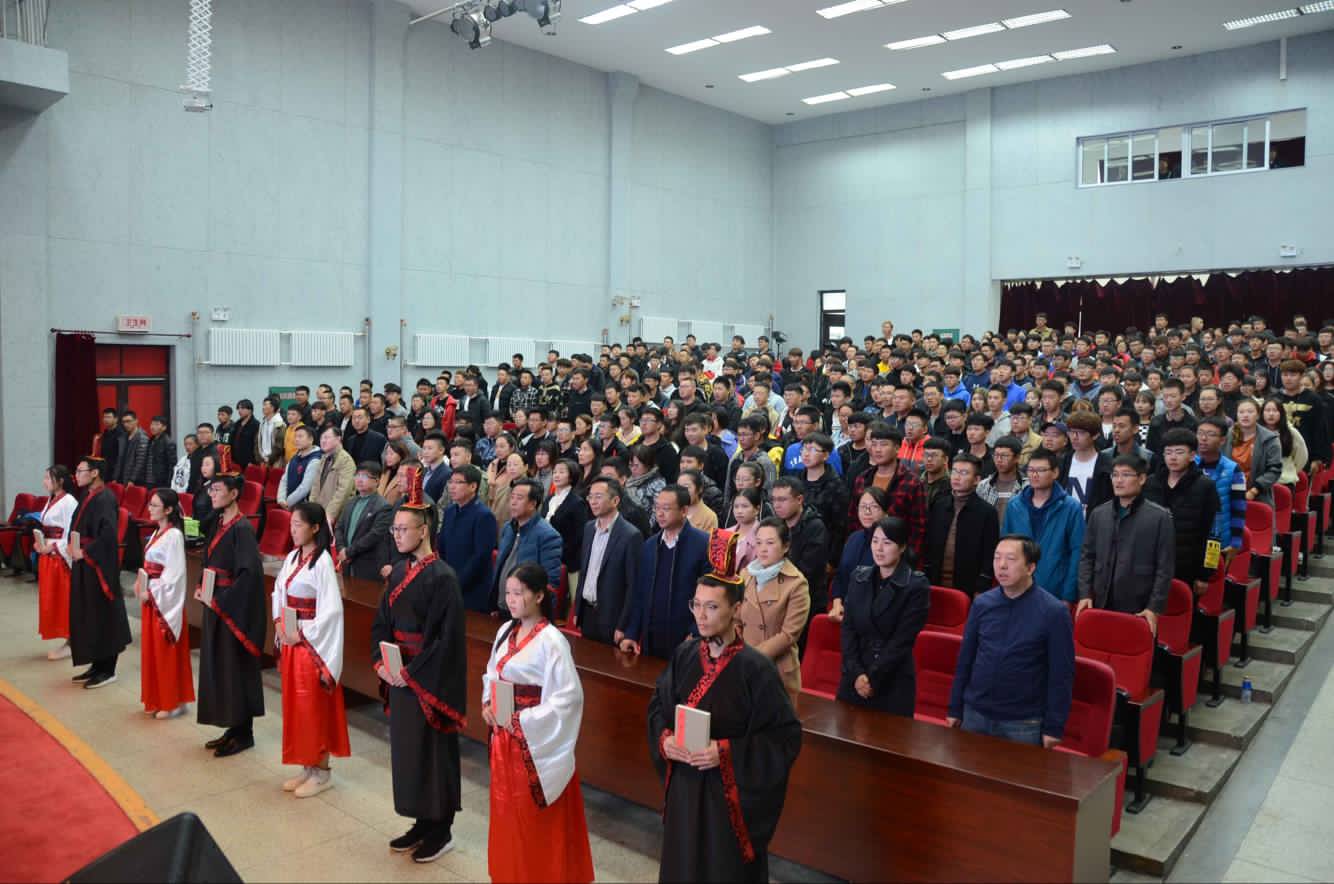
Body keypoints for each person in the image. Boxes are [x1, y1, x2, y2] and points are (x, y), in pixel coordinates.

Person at [647, 574, 802, 884]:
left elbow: (785, 737)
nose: (701, 616)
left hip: (727, 800)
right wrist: (665, 740)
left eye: (712, 607)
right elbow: (658, 707)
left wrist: (725, 752)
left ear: (736, 609)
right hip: (685, 790)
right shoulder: (685, 655)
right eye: (696, 605)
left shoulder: (756, 669)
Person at [371, 481, 467, 864]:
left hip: (427, 679)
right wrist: (383, 663)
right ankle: (421, 821)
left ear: (423, 531)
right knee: (409, 754)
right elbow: (382, 623)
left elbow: (446, 640)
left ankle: (441, 828)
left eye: (403, 529)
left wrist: (412, 673)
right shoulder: (398, 572)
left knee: (433, 754)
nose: (396, 536)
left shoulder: (443, 577)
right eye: (394, 529)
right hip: (400, 675)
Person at [482, 563, 595, 883]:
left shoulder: (552, 640)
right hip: (504, 738)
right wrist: (488, 704)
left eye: (519, 593)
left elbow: (568, 698)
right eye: (508, 593)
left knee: (534, 820)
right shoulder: (505, 631)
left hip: (533, 744)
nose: (511, 600)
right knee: (506, 814)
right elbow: (492, 673)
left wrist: (523, 720)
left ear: (539, 596)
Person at [947, 536, 1075, 747]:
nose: (1002, 565)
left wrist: (1054, 727)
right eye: (997, 558)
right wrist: (954, 708)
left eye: (1011, 559)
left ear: (1030, 567)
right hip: (975, 712)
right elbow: (965, 659)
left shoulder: (1054, 612)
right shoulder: (982, 603)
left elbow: (1061, 674)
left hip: (1023, 721)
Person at [272, 502, 351, 798]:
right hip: (291, 639)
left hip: (311, 646)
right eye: (291, 524)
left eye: (298, 525)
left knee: (314, 706)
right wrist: (279, 622)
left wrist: (301, 633)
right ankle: (307, 765)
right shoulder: (293, 557)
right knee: (296, 706)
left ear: (315, 528)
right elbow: (278, 591)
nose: (292, 530)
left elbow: (331, 611)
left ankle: (322, 771)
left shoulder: (323, 562)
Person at [196, 452, 267, 756]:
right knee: (220, 668)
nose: (212, 494)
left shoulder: (242, 529)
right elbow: (209, 561)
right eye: (211, 489)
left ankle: (244, 732)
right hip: (216, 604)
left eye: (217, 490)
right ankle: (231, 727)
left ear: (234, 494)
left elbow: (248, 576)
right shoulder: (218, 522)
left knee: (235, 667)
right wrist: (202, 588)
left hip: (231, 609)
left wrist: (221, 600)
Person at [836, 516, 930, 716]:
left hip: (891, 679)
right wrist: (857, 673)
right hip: (854, 676)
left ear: (902, 547)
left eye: (887, 543)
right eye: (875, 541)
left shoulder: (916, 586)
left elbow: (902, 641)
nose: (879, 549)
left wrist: (872, 678)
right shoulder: (858, 577)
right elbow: (848, 629)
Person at [1076, 455, 1175, 634]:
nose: (1118, 480)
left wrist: (1153, 607)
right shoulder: (1099, 513)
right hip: (1101, 599)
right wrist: (1085, 593)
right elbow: (1087, 557)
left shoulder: (1160, 517)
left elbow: (1164, 568)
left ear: (1142, 478)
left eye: (1126, 475)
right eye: (1115, 475)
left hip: (1138, 603)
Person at [620, 486, 711, 658]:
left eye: (666, 508)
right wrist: (632, 633)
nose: (660, 514)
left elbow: (710, 595)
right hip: (651, 636)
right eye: (657, 508)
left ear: (684, 511)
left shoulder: (703, 544)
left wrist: (696, 632)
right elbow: (640, 594)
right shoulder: (649, 545)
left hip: (686, 637)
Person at [67, 456, 132, 690]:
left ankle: (108, 669)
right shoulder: (88, 495)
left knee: (103, 614)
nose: (76, 474)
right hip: (84, 561)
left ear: (95, 473)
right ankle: (96, 664)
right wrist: (72, 546)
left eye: (80, 470)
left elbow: (107, 536)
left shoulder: (105, 498)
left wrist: (85, 552)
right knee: (90, 615)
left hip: (98, 565)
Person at [135, 489, 194, 720]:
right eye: (150, 504)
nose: (149, 508)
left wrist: (151, 591)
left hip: (163, 602)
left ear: (168, 510)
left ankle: (173, 700)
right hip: (152, 597)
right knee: (153, 651)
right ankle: (158, 697)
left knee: (166, 651)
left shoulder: (174, 536)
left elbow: (174, 575)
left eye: (154, 505)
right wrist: (141, 584)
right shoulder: (157, 533)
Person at [1001, 449, 1086, 603]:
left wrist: (1068, 595)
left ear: (1055, 473)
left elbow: (1077, 552)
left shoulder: (1071, 507)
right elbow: (1005, 546)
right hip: (1017, 587)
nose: (1034, 475)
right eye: (1031, 470)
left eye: (1040, 470)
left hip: (1054, 590)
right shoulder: (1015, 505)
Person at [739, 517, 811, 698]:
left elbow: (789, 635)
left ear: (785, 546)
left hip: (776, 668)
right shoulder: (746, 575)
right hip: (742, 663)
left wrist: (753, 657)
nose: (763, 549)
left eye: (770, 543)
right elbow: (735, 619)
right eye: (759, 542)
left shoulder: (796, 583)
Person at [1145, 429, 1221, 597]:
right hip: (1151, 564)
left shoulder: (1205, 486)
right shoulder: (1151, 483)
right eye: (1168, 452)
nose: (1173, 457)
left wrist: (1205, 574)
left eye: (1179, 452)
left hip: (1188, 566)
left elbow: (1214, 533)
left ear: (1192, 455)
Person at [923, 453, 1000, 597]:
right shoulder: (939, 504)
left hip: (968, 584)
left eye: (964, 473)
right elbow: (929, 542)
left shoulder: (987, 512)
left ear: (976, 479)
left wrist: (982, 585)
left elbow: (989, 553)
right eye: (954, 472)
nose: (957, 477)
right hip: (934, 579)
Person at [490, 479, 563, 612]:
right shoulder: (508, 527)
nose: (513, 502)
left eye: (519, 498)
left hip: (527, 611)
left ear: (533, 504)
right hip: (501, 606)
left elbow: (550, 584)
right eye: (512, 497)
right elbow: (500, 566)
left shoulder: (548, 535)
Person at [436, 465, 498, 612]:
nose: (452, 487)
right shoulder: (450, 511)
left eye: (458, 482)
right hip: (449, 582)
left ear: (473, 486)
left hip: (473, 588)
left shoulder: (484, 516)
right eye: (450, 482)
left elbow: (481, 557)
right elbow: (442, 546)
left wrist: (457, 582)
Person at [830, 486, 890, 621]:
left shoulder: (890, 543)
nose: (867, 512)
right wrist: (837, 604)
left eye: (874, 507)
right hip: (844, 609)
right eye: (863, 507)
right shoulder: (853, 538)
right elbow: (840, 576)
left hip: (874, 615)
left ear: (886, 512)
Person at [1196, 417, 1247, 560]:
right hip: (1191, 537)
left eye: (1211, 434)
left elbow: (1239, 508)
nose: (1203, 438)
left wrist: (1236, 542)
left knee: (1213, 572)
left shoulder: (1234, 469)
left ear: (1222, 440)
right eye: (1200, 433)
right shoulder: (1188, 464)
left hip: (1218, 539)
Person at [334, 462, 394, 580]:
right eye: (357, 475)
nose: (359, 479)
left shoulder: (383, 506)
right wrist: (341, 548)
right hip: (347, 562)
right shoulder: (351, 502)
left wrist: (349, 552)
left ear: (376, 481)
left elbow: (374, 536)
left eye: (365, 476)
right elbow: (339, 527)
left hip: (366, 564)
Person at [543, 460, 592, 596]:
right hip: (547, 557)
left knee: (571, 598)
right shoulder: (549, 500)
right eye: (555, 472)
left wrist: (559, 552)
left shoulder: (577, 502)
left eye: (561, 472)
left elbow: (579, 536)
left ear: (571, 476)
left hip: (569, 560)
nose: (556, 475)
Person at [1223, 398, 1282, 507]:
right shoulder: (1226, 436)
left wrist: (1254, 491)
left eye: (1250, 412)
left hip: (1257, 495)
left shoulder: (1270, 439)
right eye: (1241, 412)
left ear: (1258, 415)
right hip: (1227, 494)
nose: (1245, 415)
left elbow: (1274, 470)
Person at [310, 425, 357, 524]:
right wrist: (312, 507)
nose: (323, 441)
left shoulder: (346, 461)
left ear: (338, 439)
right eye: (321, 438)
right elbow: (315, 485)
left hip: (336, 516)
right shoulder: (323, 458)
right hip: (319, 511)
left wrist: (330, 514)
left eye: (327, 437)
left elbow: (343, 492)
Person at [976, 436, 1026, 525]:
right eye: (996, 455)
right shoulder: (984, 485)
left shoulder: (1026, 486)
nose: (999, 460)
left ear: (1017, 458)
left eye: (1004, 456)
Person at [277, 425, 321, 508]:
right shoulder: (295, 457)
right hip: (288, 504)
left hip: (303, 507)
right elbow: (284, 479)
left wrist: (288, 502)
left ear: (311, 439)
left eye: (300, 436)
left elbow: (305, 488)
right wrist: (281, 499)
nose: (296, 439)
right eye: (295, 436)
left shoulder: (315, 460)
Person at [678, 469, 718, 533]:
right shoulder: (673, 509)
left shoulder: (710, 517)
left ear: (699, 489)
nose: (682, 491)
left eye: (686, 487)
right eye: (679, 487)